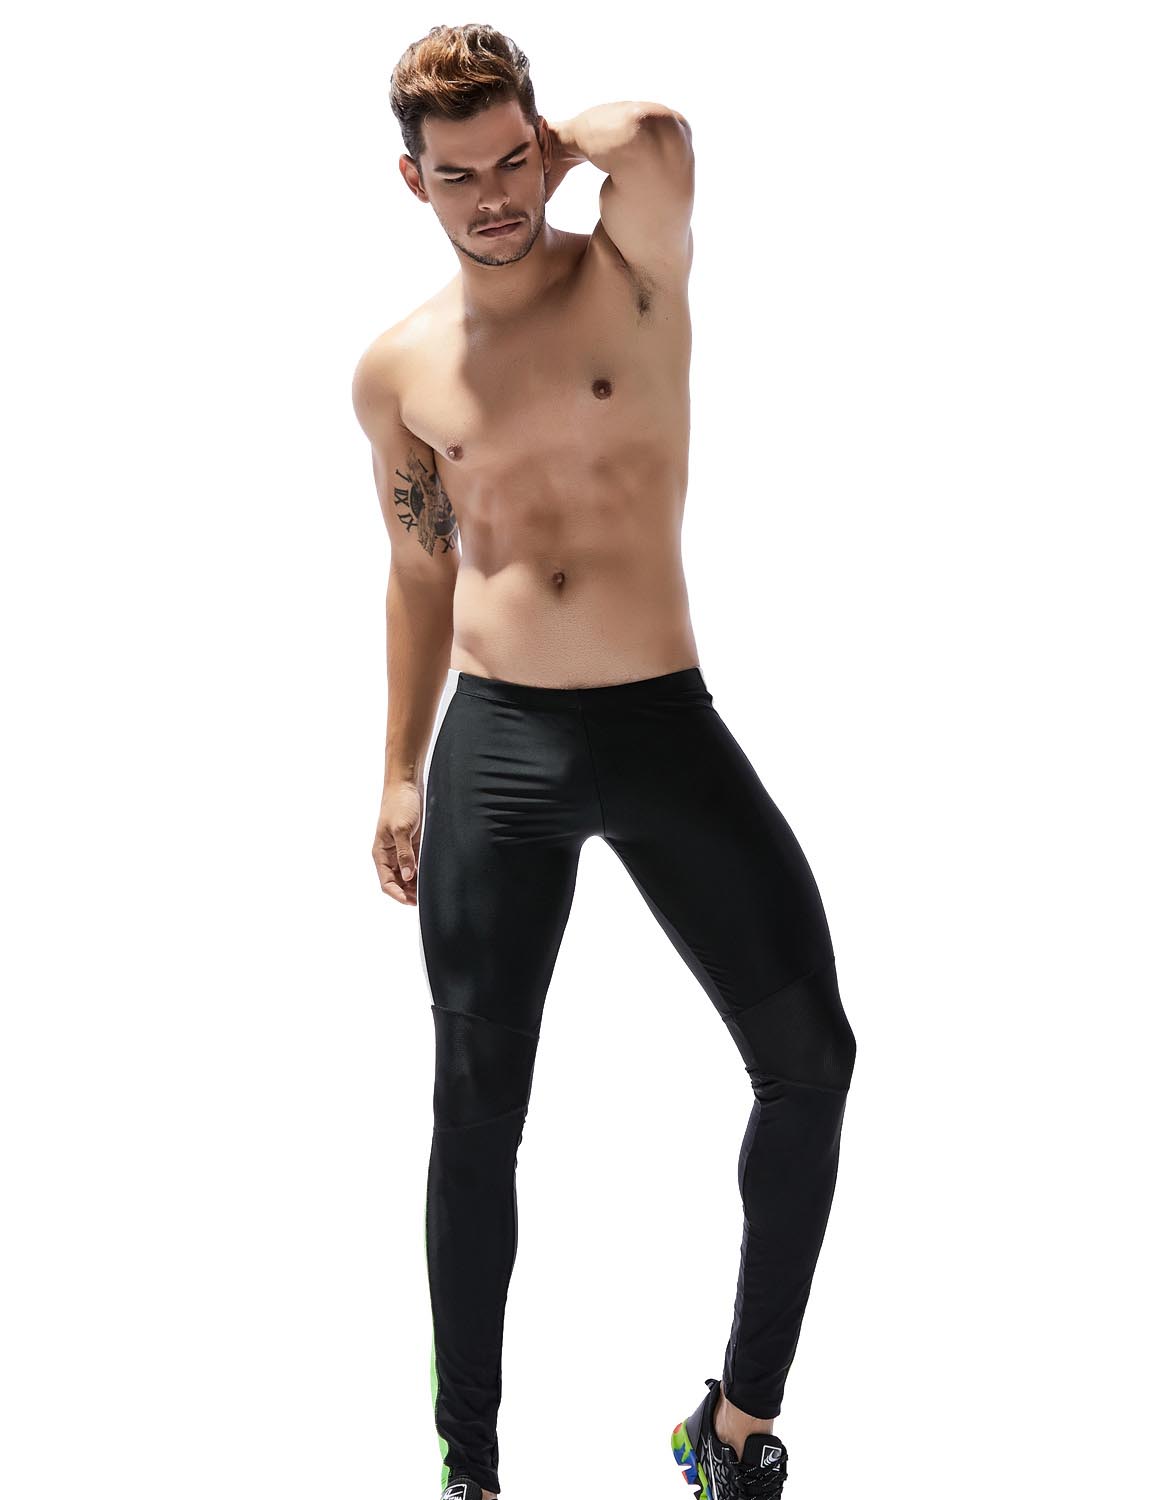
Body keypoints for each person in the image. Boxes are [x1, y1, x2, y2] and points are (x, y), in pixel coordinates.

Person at [351, 24, 858, 1500]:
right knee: (474, 1112)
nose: (494, 196)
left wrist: (552, 151)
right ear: (412, 183)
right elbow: (418, 573)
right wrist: (398, 770)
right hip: (498, 745)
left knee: (811, 1062)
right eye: (459, 176)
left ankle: (736, 1427)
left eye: (512, 160)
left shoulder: (633, 274)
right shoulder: (398, 371)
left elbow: (660, 135)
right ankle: (471, 1468)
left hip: (660, 725)